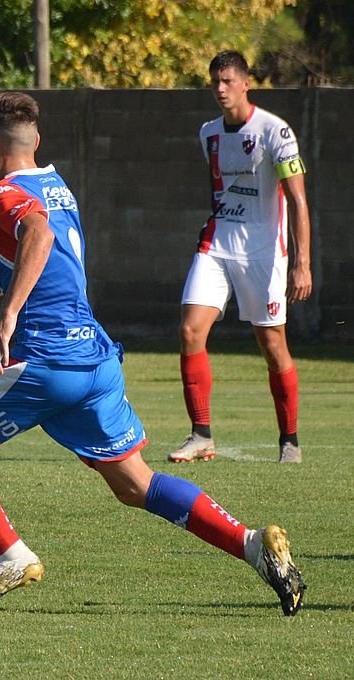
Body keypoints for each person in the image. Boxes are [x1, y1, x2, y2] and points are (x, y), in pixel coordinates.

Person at [0, 91, 305, 615]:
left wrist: (5, 317)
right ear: (38, 140)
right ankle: (254, 545)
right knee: (136, 484)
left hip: (45, 359)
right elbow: (54, 264)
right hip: (95, 361)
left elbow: (35, 232)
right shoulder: (57, 186)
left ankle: (9, 553)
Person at [169, 51, 312, 465]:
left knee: (272, 344)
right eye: (215, 81)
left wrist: (302, 262)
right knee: (190, 331)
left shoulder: (276, 132)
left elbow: (298, 201)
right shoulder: (208, 133)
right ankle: (200, 434)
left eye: (228, 81)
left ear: (246, 83)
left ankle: (289, 440)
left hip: (264, 251)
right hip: (217, 244)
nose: (220, 88)